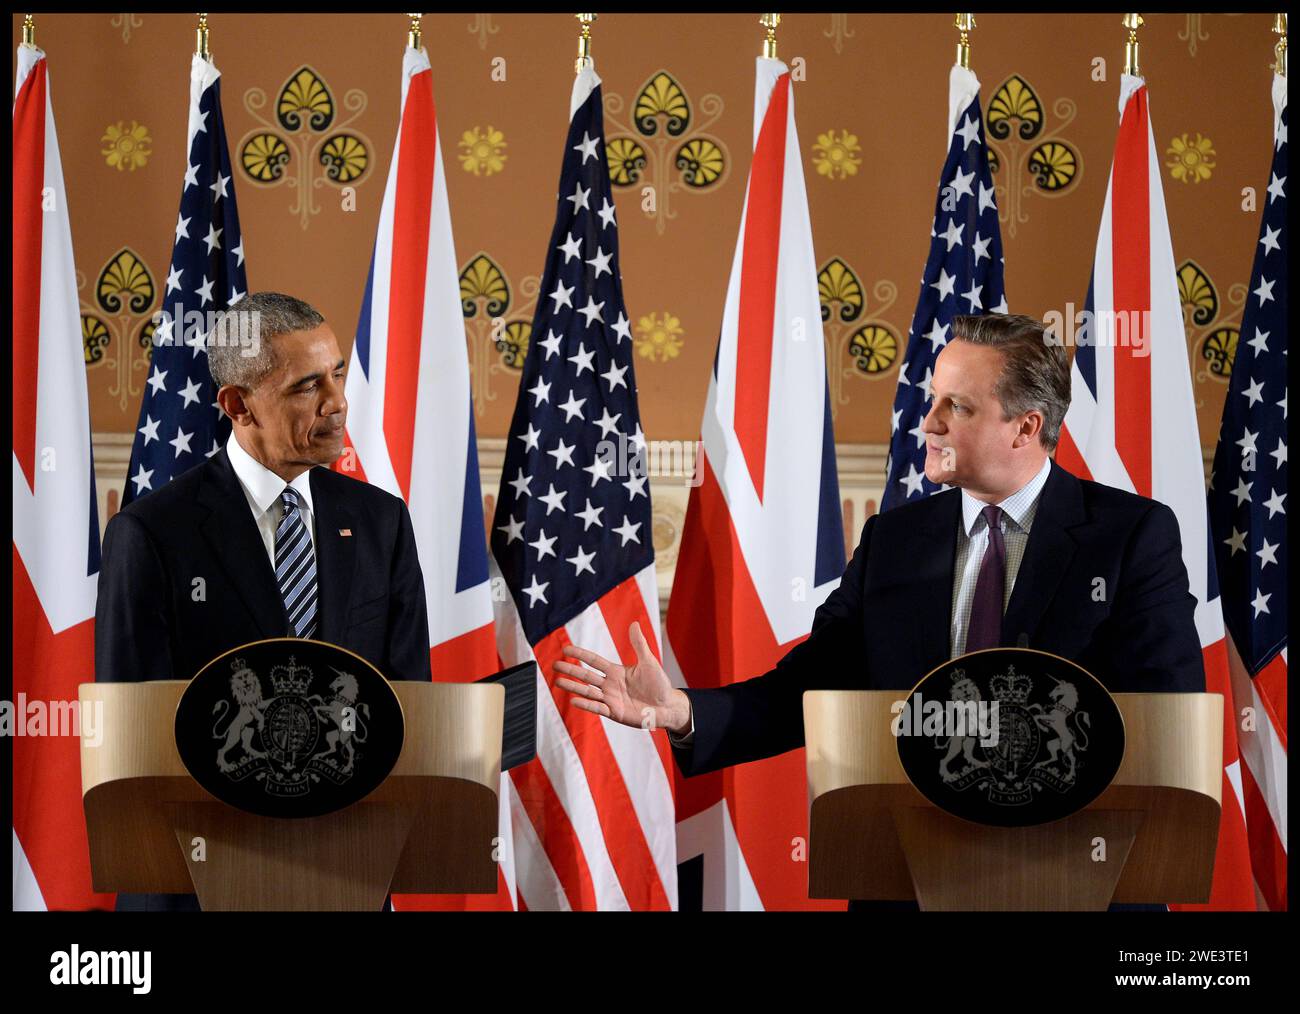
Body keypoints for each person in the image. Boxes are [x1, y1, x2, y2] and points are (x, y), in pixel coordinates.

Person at [554, 312, 1205, 909]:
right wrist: (684, 711)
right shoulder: (895, 541)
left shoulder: (1129, 537)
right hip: (909, 888)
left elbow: (1160, 721)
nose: (930, 423)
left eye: (958, 407)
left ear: (1026, 427)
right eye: (933, 400)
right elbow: (810, 684)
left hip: (1077, 889)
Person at [95, 291, 432, 909]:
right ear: (238, 404)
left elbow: (408, 699)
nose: (337, 403)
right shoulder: (151, 534)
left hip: (347, 874)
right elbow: (131, 739)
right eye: (307, 386)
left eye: (336, 376)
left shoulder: (381, 521)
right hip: (202, 886)